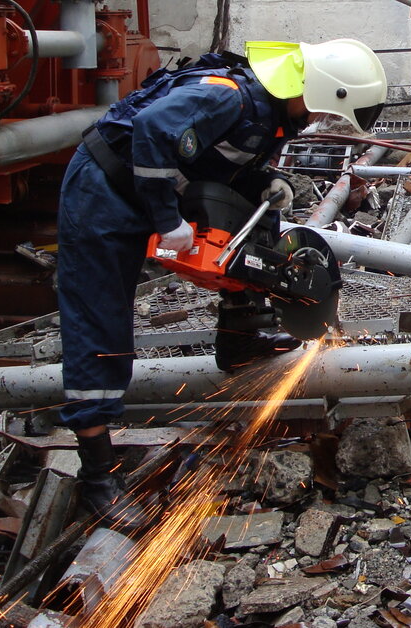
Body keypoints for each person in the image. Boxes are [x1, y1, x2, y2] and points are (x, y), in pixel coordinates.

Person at [58, 38, 387, 524]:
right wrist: (168, 219)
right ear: (320, 90)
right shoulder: (227, 95)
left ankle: (240, 338)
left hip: (149, 188)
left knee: (262, 230)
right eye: (326, 114)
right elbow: (151, 131)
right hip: (103, 193)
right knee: (101, 324)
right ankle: (97, 476)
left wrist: (261, 185)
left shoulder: (277, 112)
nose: (322, 123)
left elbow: (214, 161)